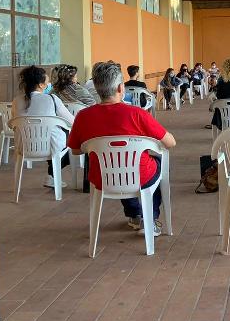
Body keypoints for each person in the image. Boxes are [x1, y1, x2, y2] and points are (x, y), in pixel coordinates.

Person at [68, 61, 176, 235]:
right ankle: (150, 219)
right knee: (157, 164)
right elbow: (170, 142)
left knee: (118, 166)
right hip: (139, 175)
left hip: (102, 176)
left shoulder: (83, 116)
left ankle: (134, 214)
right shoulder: (137, 114)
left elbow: (75, 150)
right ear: (120, 88)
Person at [12, 65, 74, 189]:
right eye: (47, 81)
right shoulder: (52, 99)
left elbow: (14, 124)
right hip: (49, 147)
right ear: (41, 85)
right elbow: (72, 121)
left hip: (24, 146)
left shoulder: (16, 101)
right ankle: (52, 175)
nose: (49, 83)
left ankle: (51, 176)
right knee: (67, 135)